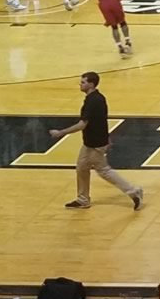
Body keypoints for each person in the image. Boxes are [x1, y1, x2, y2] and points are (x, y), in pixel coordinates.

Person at [49, 70, 144, 211]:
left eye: (83, 82)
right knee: (82, 167)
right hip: (91, 142)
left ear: (91, 84)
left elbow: (82, 124)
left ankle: (133, 191)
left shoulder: (93, 101)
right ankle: (83, 199)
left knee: (104, 170)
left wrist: (61, 133)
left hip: (95, 144)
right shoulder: (97, 98)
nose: (80, 85)